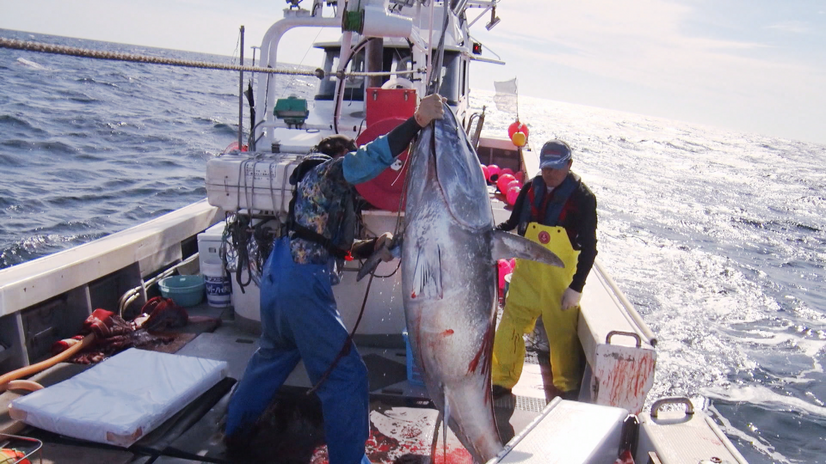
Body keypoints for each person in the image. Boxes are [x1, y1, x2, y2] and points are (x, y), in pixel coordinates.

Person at [224, 93, 446, 464]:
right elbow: (365, 162)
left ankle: (233, 431)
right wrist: (415, 124)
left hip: (279, 275)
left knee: (271, 359)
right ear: (339, 152)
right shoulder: (329, 169)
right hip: (301, 285)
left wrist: (375, 245)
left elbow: (329, 244)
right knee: (346, 376)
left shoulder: (311, 191)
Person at [491, 139, 598, 401]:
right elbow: (513, 224)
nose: (549, 173)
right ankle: (501, 381)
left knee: (562, 335)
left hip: (559, 281)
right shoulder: (530, 189)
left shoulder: (583, 199)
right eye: (545, 168)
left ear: (569, 165)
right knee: (510, 328)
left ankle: (567, 387)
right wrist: (491, 234)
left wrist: (576, 287)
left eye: (556, 168)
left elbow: (590, 249)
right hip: (526, 276)